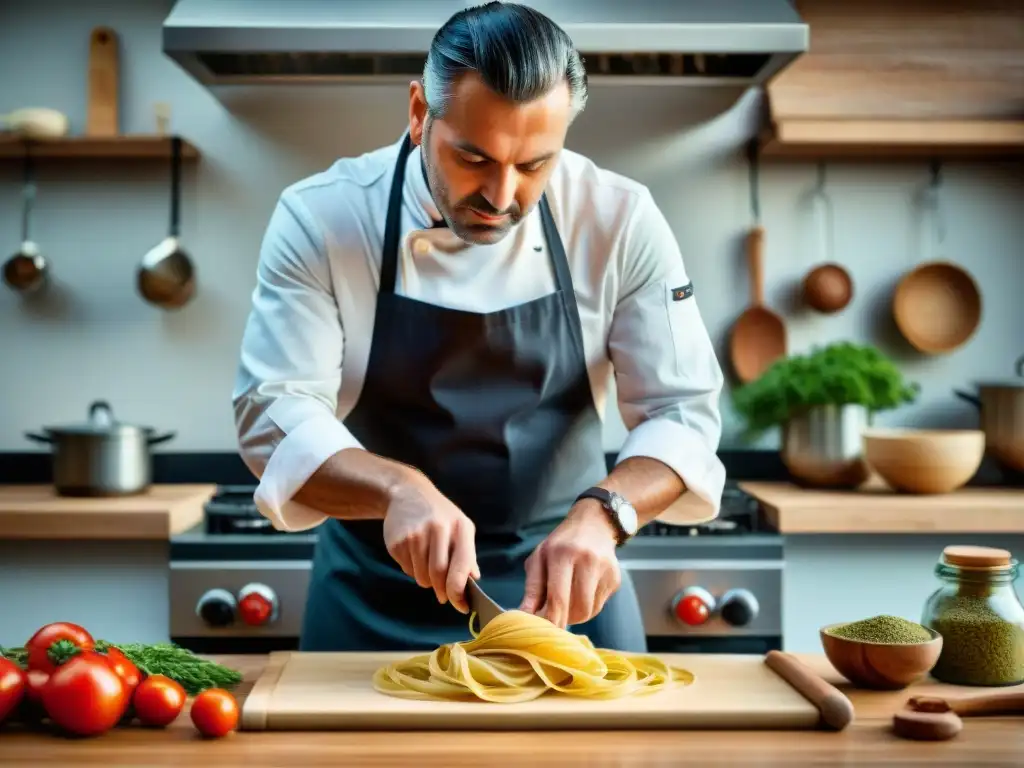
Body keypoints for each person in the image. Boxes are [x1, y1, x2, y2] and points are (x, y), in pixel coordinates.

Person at [232, 1, 725, 654]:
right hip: (372, 596)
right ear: (418, 113)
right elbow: (273, 412)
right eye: (473, 157)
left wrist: (606, 513)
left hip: (566, 597)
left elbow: (681, 412)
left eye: (533, 166)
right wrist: (396, 488)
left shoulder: (618, 218)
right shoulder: (323, 218)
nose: (500, 195)